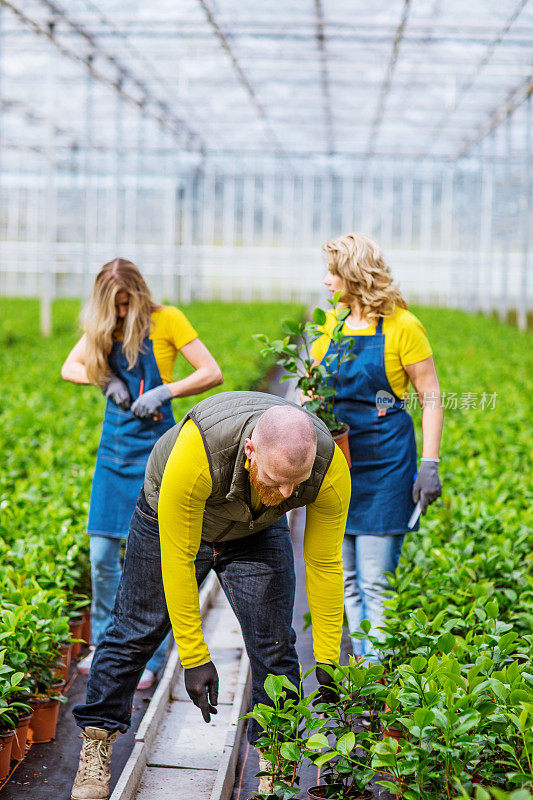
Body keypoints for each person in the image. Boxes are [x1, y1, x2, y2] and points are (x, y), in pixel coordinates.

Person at [70, 391, 350, 800]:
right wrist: (194, 657)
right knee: (134, 633)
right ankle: (96, 741)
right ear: (251, 449)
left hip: (256, 529)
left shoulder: (328, 471)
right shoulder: (198, 453)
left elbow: (324, 565)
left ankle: (278, 757)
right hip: (174, 519)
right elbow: (179, 560)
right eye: (276, 479)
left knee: (274, 645)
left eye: (297, 484)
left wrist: (327, 657)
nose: (288, 494)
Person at [61, 258, 223, 689]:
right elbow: (69, 367)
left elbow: (211, 371)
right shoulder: (103, 326)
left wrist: (164, 391)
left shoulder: (167, 320)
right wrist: (105, 381)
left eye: (125, 303)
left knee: (150, 557)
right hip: (114, 450)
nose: (119, 313)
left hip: (158, 447)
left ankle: (150, 655)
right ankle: (104, 643)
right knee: (101, 554)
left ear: (138, 294)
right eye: (112, 305)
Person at [312, 232, 443, 660]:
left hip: (386, 463)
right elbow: (310, 387)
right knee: (347, 578)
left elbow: (431, 397)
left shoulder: (404, 327)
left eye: (333, 272)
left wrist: (430, 464)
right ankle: (369, 676)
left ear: (353, 274)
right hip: (342, 462)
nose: (326, 281)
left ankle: (377, 683)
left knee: (374, 580)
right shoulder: (330, 324)